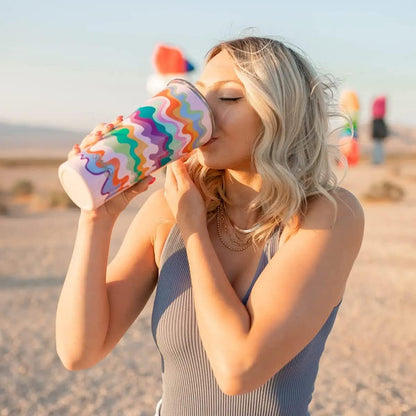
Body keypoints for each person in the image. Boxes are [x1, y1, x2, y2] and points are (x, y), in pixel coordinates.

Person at [56, 36, 365, 415]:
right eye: (199, 96)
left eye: (230, 98)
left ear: (281, 110)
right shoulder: (167, 211)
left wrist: (193, 231)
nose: (202, 112)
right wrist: (96, 219)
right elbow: (79, 351)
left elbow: (237, 369)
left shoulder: (328, 215)